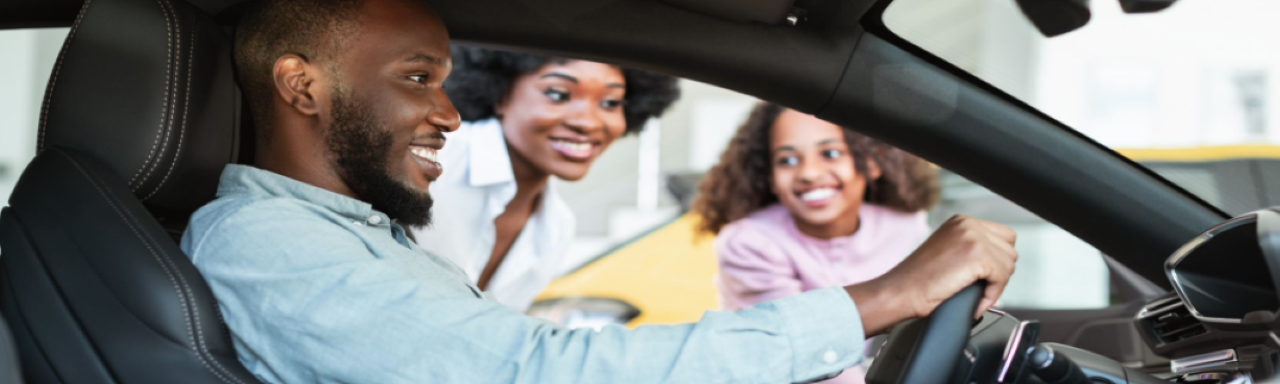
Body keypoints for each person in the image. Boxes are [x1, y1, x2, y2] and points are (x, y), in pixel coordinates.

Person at [181, 0, 1019, 382]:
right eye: (415, 78)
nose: (445, 111)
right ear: (302, 86)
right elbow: (535, 371)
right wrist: (886, 295)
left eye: (442, 79)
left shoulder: (365, 233)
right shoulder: (265, 239)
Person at [410, 47, 680, 310]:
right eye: (558, 94)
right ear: (501, 95)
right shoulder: (435, 157)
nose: (587, 122)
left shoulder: (556, 226)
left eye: (610, 102)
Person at [694, 102, 941, 384]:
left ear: (872, 162)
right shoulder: (750, 243)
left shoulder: (906, 227)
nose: (809, 173)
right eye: (786, 160)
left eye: (830, 153)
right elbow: (803, 352)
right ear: (770, 177)